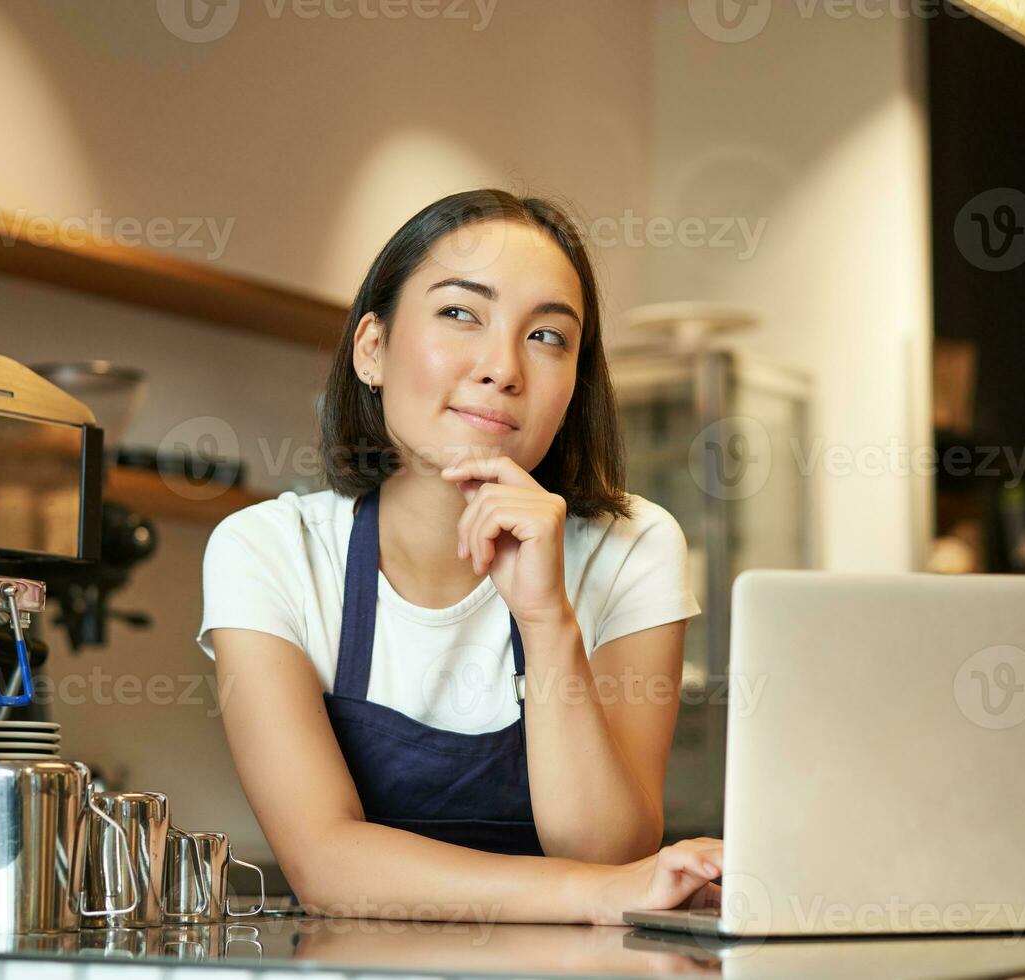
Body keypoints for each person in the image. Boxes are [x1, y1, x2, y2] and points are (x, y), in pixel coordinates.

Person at [198, 189, 723, 925]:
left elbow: (604, 849)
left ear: (574, 387)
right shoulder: (270, 551)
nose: (503, 368)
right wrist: (596, 892)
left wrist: (546, 621)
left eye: (547, 337)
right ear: (371, 349)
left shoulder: (633, 545)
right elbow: (324, 861)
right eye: (460, 313)